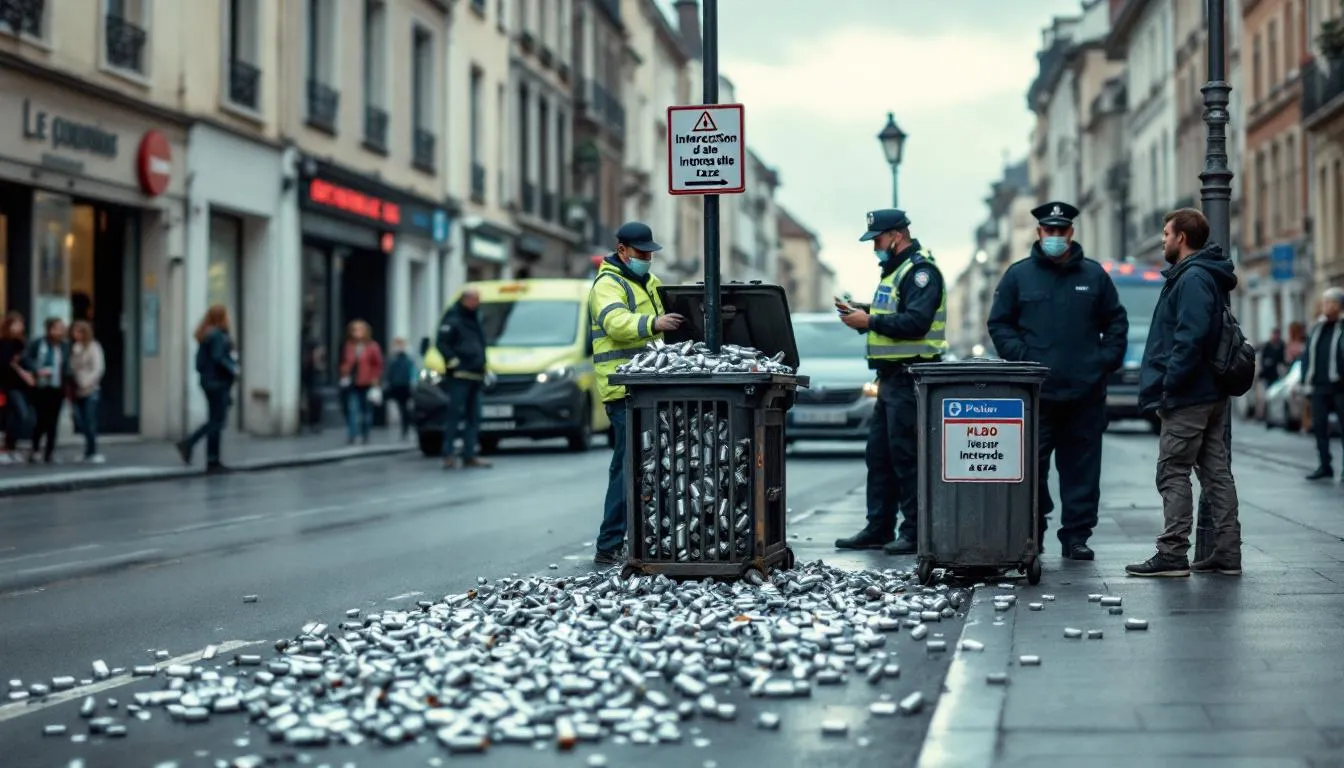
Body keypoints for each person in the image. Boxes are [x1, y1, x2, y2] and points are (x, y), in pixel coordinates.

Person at [986, 201, 1128, 561]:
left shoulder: (1094, 277)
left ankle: (1077, 536)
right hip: (1035, 396)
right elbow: (999, 324)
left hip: (1085, 394)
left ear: (1071, 233)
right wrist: (1022, 358)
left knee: (1082, 471)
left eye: (1060, 231)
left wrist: (1103, 361)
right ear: (1039, 234)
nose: (1054, 237)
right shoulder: (1018, 276)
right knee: (1030, 468)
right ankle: (1033, 530)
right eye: (1049, 231)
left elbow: (1116, 323)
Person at [1126, 208, 1242, 578]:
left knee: (1172, 470)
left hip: (1189, 394)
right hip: (1207, 392)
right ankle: (1227, 553)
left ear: (1181, 237)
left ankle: (1173, 552)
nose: (1162, 239)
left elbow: (1189, 338)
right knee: (1215, 472)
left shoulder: (1192, 278)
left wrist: (1169, 385)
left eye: (1166, 233)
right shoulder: (1202, 275)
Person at [833, 208, 947, 556]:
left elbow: (916, 323)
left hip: (911, 376)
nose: (875, 248)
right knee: (879, 456)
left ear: (897, 236)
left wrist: (868, 321)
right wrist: (863, 309)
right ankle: (879, 527)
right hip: (890, 379)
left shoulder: (921, 272)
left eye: (878, 240)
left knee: (907, 457)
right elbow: (893, 313)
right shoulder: (897, 272)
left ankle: (913, 531)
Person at [590, 221, 685, 565]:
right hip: (623, 388)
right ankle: (609, 545)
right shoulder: (607, 284)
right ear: (622, 251)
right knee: (628, 467)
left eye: (650, 253)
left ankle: (646, 539)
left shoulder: (649, 282)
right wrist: (653, 325)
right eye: (641, 253)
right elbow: (616, 324)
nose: (647, 258)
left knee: (651, 466)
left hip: (651, 385)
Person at [177, 304, 239, 472]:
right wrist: (234, 369)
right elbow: (219, 357)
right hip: (217, 383)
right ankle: (193, 446)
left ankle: (212, 459)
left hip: (208, 382)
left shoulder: (207, 334)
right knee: (217, 421)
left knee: (215, 420)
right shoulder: (218, 335)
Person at [436, 290, 491, 469]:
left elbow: (479, 344)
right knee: (455, 414)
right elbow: (442, 343)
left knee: (474, 416)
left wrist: (484, 366)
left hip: (476, 374)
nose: (477, 303)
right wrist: (454, 362)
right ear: (465, 300)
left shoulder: (475, 319)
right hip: (459, 376)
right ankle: (448, 453)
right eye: (474, 300)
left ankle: (469, 454)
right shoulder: (453, 319)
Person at [1300, 287, 1344, 481]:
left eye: (1330, 302)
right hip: (1318, 385)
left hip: (1340, 386)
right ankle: (1325, 465)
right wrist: (1305, 382)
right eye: (1324, 302)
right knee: (1319, 426)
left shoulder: (1342, 327)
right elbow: (1307, 356)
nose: (1326, 306)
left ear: (1339, 305)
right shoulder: (1316, 328)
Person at [23, 317, 71, 464]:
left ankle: (49, 452)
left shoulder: (64, 346)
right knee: (41, 420)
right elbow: (26, 359)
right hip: (41, 387)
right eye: (57, 328)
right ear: (49, 329)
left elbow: (67, 365)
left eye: (61, 328)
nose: (60, 331)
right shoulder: (38, 343)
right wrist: (37, 370)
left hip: (58, 387)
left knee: (53, 422)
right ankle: (35, 449)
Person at [339, 319, 384, 445]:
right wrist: (344, 370)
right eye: (354, 330)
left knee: (366, 410)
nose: (357, 333)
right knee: (352, 409)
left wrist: (375, 379)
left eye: (360, 330)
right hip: (352, 382)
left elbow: (377, 364)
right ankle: (352, 435)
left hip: (367, 382)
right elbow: (344, 361)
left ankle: (365, 434)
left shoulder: (372, 346)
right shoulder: (349, 346)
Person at [69, 320, 107, 463]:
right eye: (74, 332)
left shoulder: (94, 347)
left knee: (90, 420)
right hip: (77, 389)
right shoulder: (75, 348)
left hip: (91, 389)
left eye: (79, 332)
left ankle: (92, 451)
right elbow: (72, 367)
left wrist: (87, 382)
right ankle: (87, 451)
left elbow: (98, 368)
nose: (75, 335)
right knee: (80, 420)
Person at [385, 337, 416, 441]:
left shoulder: (407, 359)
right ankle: (405, 427)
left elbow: (412, 372)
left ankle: (406, 427)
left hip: (405, 386)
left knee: (404, 408)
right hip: (397, 386)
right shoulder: (393, 359)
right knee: (402, 408)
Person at [1256, 328, 1286, 421]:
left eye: (1277, 334)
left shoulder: (1281, 345)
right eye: (1274, 334)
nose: (1276, 337)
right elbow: (1262, 360)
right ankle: (1265, 415)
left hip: (1276, 375)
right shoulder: (1267, 346)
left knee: (1274, 396)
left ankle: (1272, 415)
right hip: (1266, 375)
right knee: (1265, 396)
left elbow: (1283, 359)